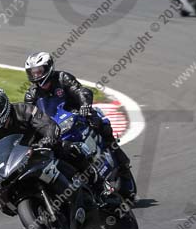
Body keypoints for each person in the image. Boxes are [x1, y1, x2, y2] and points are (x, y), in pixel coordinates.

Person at [0, 87, 111, 214]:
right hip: (19, 163)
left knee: (72, 149)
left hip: (43, 148)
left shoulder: (24, 111)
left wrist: (48, 138)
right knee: (6, 203)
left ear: (2, 106)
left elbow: (49, 126)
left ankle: (100, 187)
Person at [23, 52, 136, 199]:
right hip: (55, 128)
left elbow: (80, 90)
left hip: (78, 116)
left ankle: (123, 168)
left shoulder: (63, 78)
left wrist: (84, 105)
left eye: (39, 71)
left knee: (101, 126)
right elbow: (29, 117)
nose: (36, 75)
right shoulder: (31, 95)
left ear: (48, 68)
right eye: (33, 72)